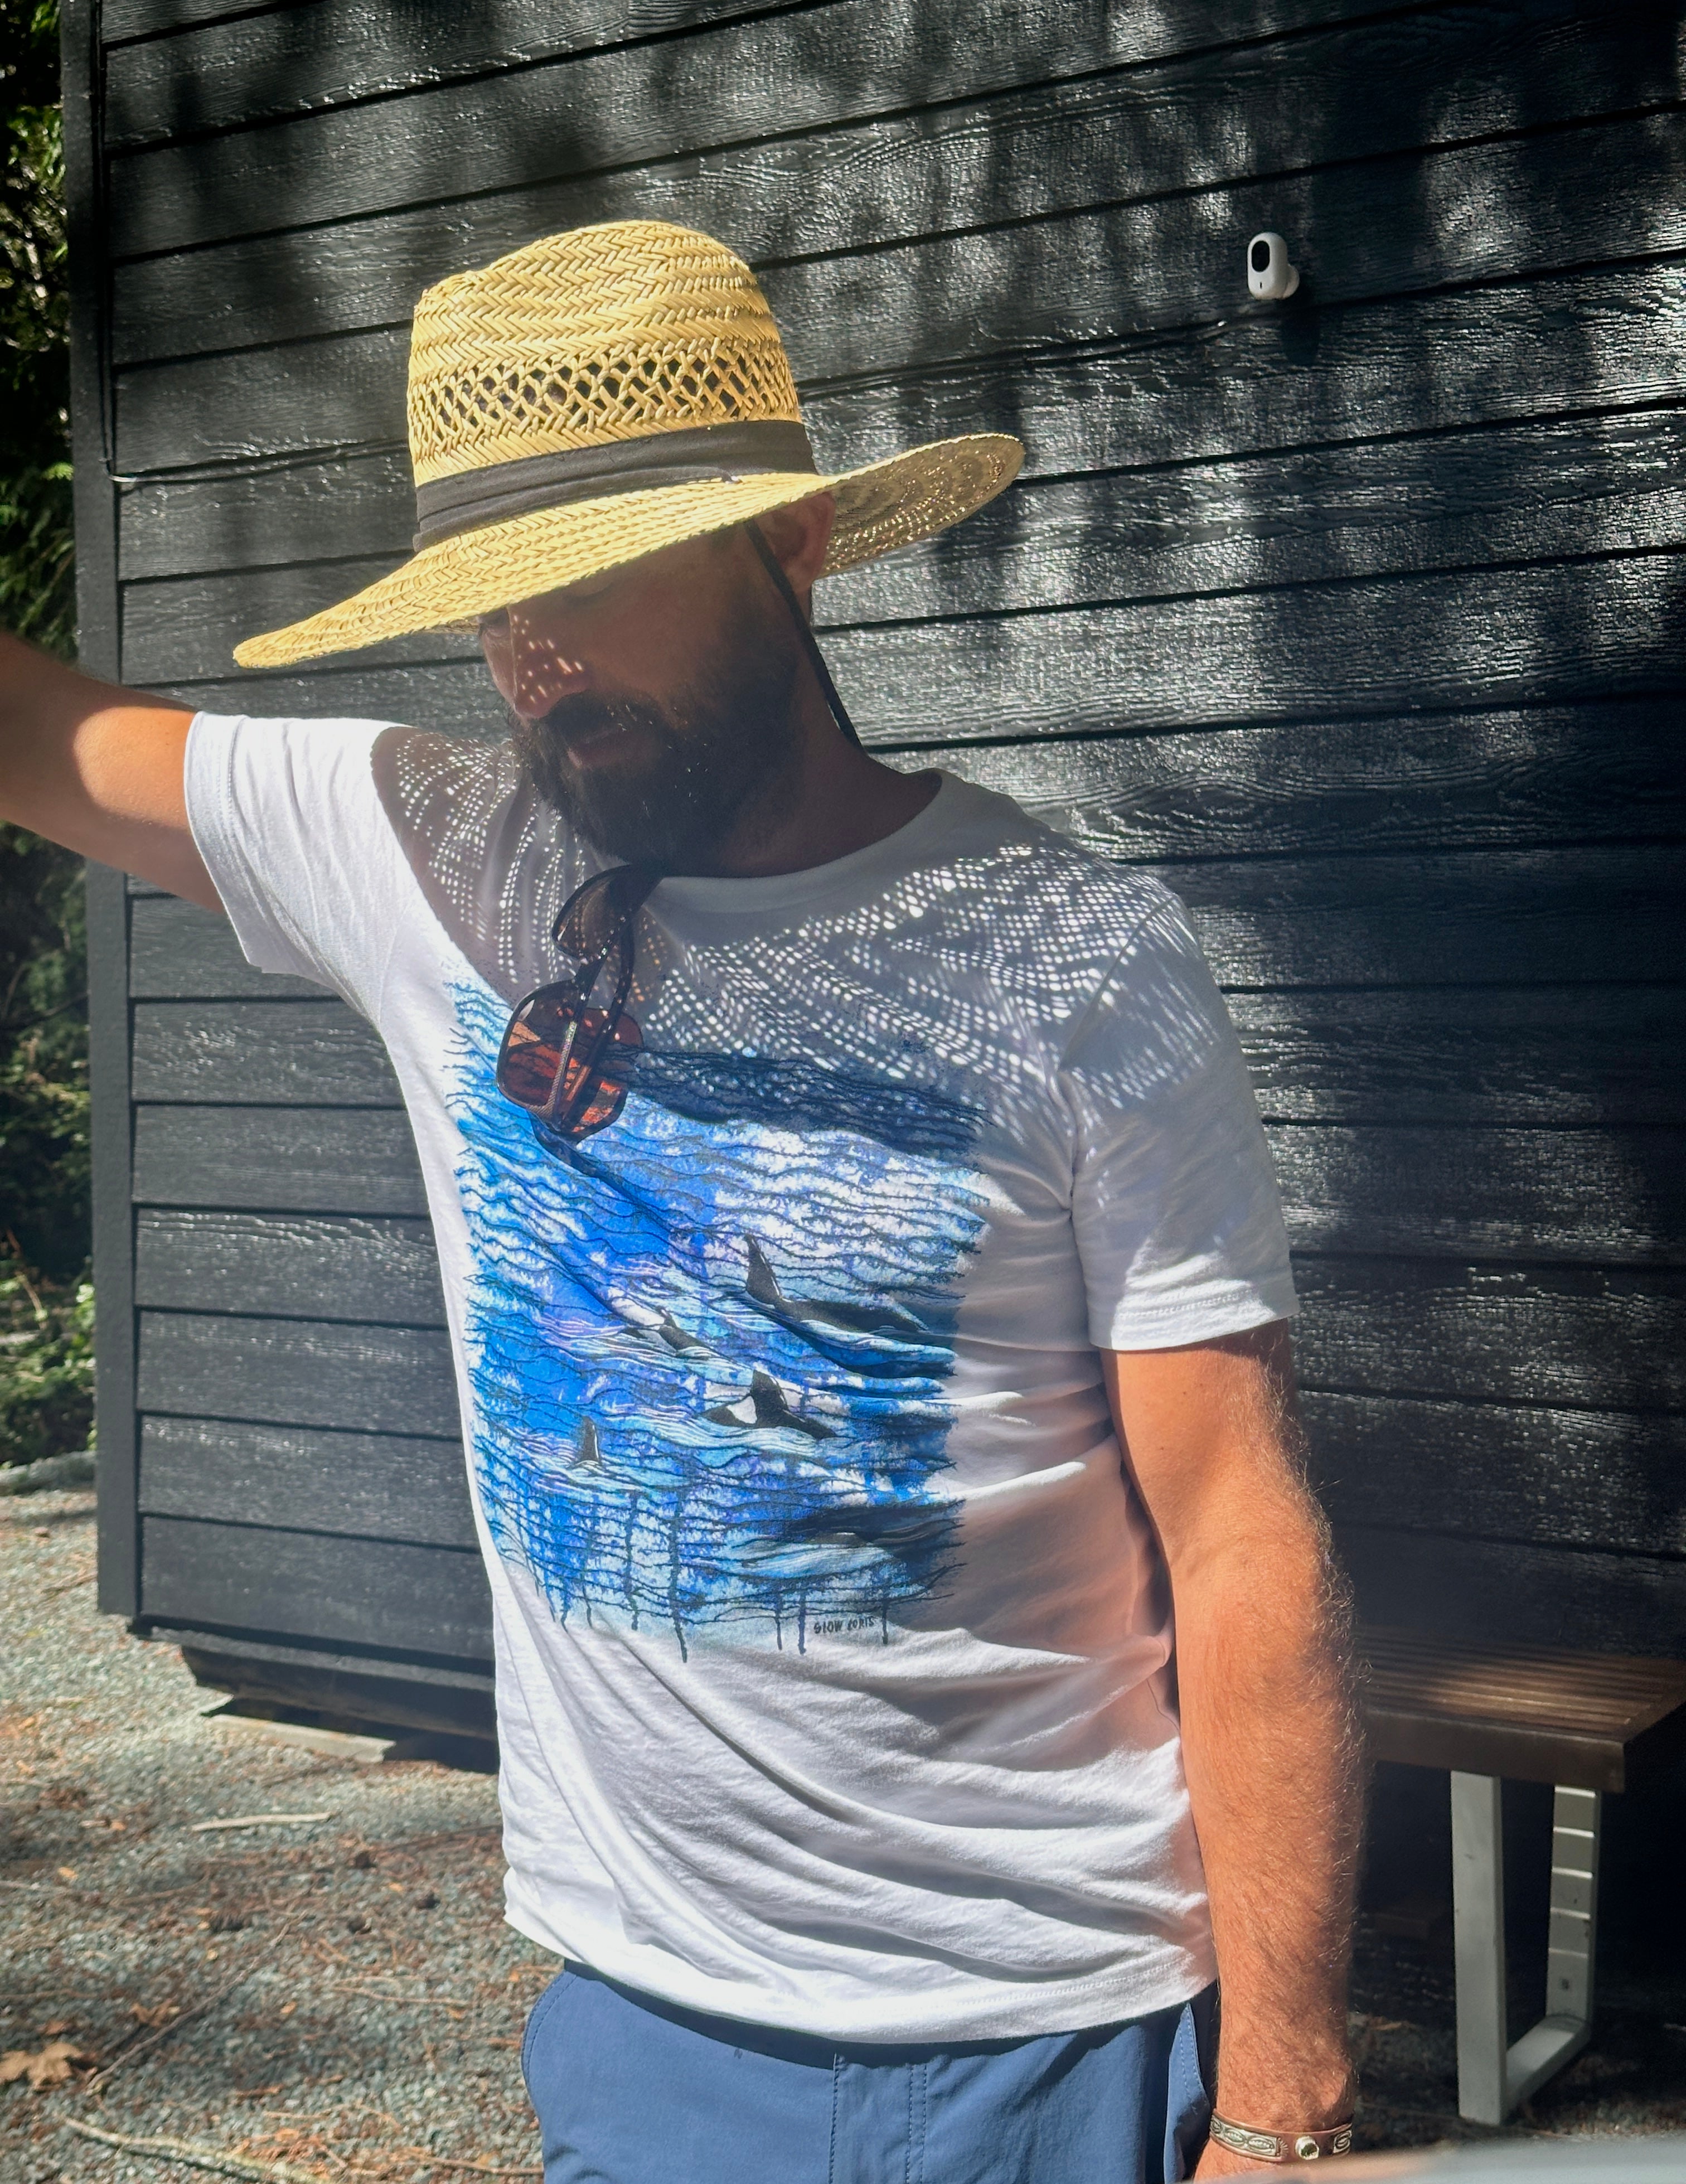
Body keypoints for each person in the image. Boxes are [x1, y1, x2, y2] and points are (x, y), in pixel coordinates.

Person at [0, 220, 1363, 2182]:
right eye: (492, 605)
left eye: (588, 577)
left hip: (1040, 2027)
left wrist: (1285, 2107)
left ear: (789, 544)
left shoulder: (1071, 957)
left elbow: (1238, 1533)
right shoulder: (440, 852)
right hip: (645, 2031)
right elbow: (35, 733)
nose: (537, 659)